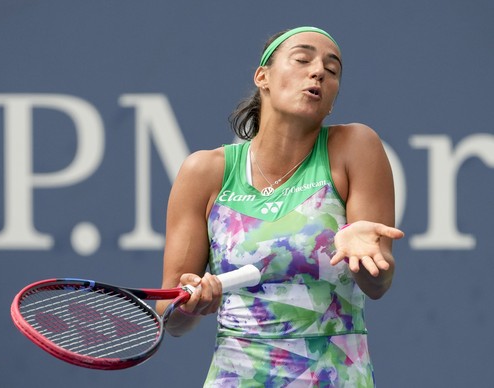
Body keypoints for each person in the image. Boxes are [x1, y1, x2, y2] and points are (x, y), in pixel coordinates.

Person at [156, 26, 404, 387]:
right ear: (263, 77)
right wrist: (190, 302)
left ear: (331, 97)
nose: (318, 71)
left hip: (335, 377)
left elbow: (378, 283)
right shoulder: (204, 172)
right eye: (302, 59)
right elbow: (171, 316)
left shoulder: (355, 146)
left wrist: (366, 258)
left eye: (331, 70)